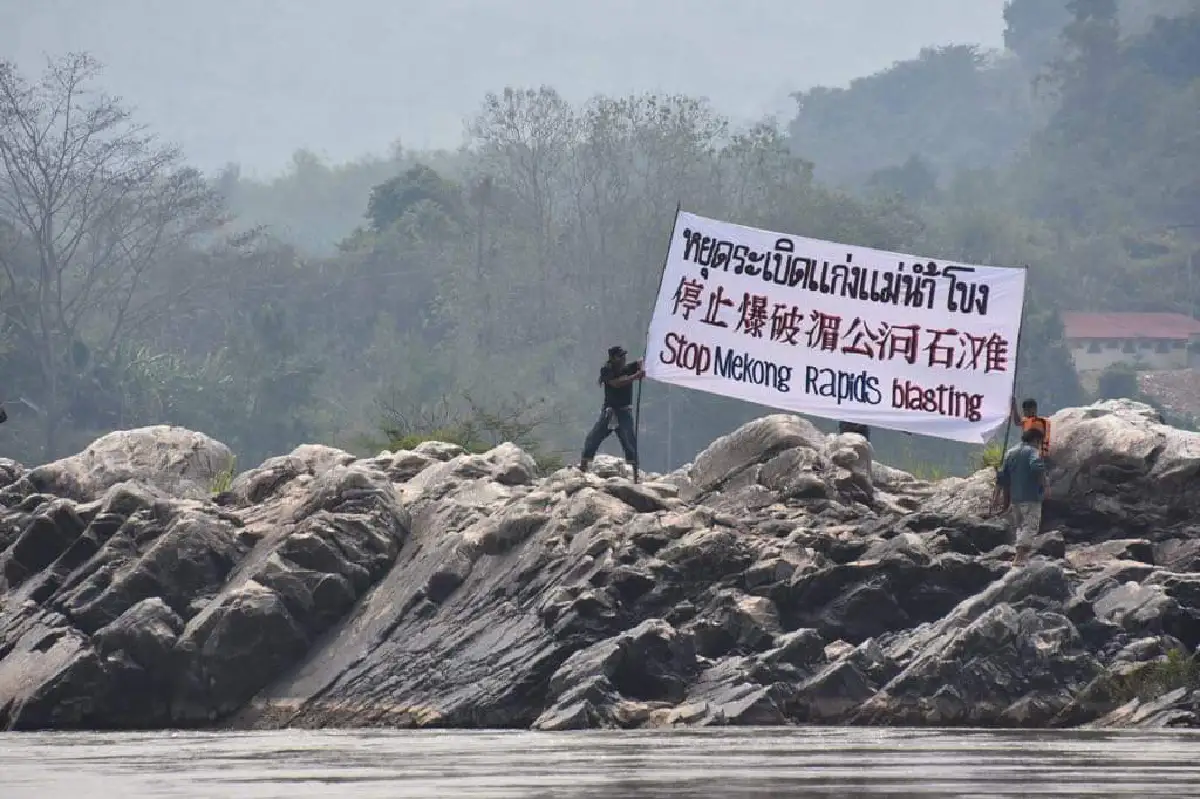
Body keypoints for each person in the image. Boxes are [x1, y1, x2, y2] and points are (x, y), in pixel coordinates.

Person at [578, 346, 644, 473]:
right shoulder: (606, 370)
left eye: (624, 356)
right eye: (621, 356)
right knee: (593, 438)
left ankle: (636, 472)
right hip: (610, 412)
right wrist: (636, 376)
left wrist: (641, 365)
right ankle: (583, 466)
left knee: (629, 441)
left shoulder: (628, 368)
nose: (624, 358)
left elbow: (641, 362)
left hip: (624, 412)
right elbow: (616, 383)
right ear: (613, 358)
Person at [996, 426, 1047, 567]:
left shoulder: (1010, 453)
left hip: (1016, 498)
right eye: (1039, 442)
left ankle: (1021, 556)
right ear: (1036, 440)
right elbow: (1037, 466)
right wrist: (1045, 484)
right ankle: (1019, 557)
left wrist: (1003, 500)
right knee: (1030, 526)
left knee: (1020, 526)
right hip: (1031, 496)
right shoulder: (1032, 451)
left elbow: (1003, 477)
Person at [1010, 396, 1050, 460]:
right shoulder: (1026, 420)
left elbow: (1045, 439)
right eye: (1024, 410)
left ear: (1034, 409)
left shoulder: (1042, 421)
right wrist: (1014, 407)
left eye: (1027, 410)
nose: (1025, 412)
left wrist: (1044, 454)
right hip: (1026, 448)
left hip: (1036, 450)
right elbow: (1017, 422)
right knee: (1010, 454)